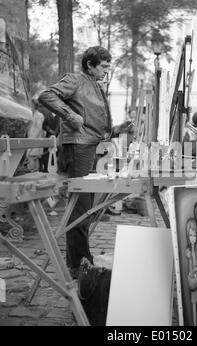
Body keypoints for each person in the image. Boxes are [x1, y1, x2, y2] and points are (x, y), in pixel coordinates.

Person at [38, 46, 131, 279]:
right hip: (77, 147)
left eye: (109, 66)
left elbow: (95, 126)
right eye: (104, 66)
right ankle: (79, 263)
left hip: (89, 146)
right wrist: (69, 115)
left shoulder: (96, 86)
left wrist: (117, 129)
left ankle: (80, 259)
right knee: (80, 205)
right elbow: (46, 95)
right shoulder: (76, 79)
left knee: (85, 206)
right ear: (90, 64)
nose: (107, 71)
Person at [186, 217, 197, 326]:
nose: (192, 238)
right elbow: (191, 270)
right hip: (191, 281)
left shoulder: (196, 249)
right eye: (190, 235)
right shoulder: (188, 251)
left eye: (194, 235)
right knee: (193, 305)